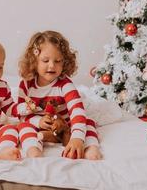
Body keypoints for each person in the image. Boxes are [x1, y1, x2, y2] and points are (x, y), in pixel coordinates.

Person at [17, 31, 103, 160]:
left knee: (86, 122)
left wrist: (77, 138)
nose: (52, 65)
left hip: (65, 127)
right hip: (41, 129)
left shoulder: (65, 85)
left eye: (58, 61)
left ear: (65, 62)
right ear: (34, 61)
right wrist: (38, 121)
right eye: (45, 60)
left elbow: (77, 110)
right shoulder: (26, 85)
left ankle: (91, 147)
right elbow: (21, 113)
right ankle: (33, 149)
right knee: (23, 127)